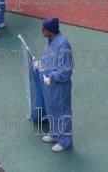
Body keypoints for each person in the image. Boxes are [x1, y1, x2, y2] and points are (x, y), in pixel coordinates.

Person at [34, 18, 74, 152]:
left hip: (59, 86)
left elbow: (65, 70)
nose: (41, 31)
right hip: (49, 84)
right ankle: (55, 134)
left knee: (61, 113)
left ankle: (65, 141)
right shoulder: (50, 41)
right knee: (51, 109)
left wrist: (52, 77)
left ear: (50, 31)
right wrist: (41, 65)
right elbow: (49, 60)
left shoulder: (63, 45)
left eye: (43, 29)